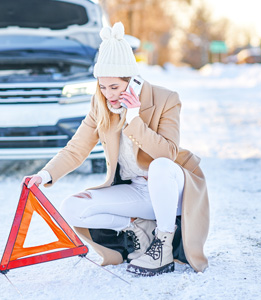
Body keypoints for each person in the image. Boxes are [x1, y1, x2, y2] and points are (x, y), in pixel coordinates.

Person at [25, 22, 210, 276]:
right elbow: (76, 148)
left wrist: (134, 119)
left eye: (115, 87)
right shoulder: (100, 104)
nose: (108, 95)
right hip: (138, 193)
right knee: (72, 207)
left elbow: (168, 153)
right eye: (102, 86)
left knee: (160, 165)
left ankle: (164, 245)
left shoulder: (166, 99)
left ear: (132, 81)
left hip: (173, 190)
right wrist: (43, 175)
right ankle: (139, 228)